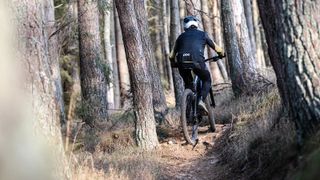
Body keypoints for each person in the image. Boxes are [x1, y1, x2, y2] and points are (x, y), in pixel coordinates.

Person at [169, 16, 225, 109]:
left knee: (188, 84)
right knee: (207, 80)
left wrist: (173, 63)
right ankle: (201, 101)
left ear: (185, 26)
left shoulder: (180, 37)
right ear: (196, 25)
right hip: (198, 62)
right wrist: (221, 54)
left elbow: (171, 56)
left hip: (182, 63)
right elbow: (217, 49)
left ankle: (188, 110)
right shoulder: (203, 34)